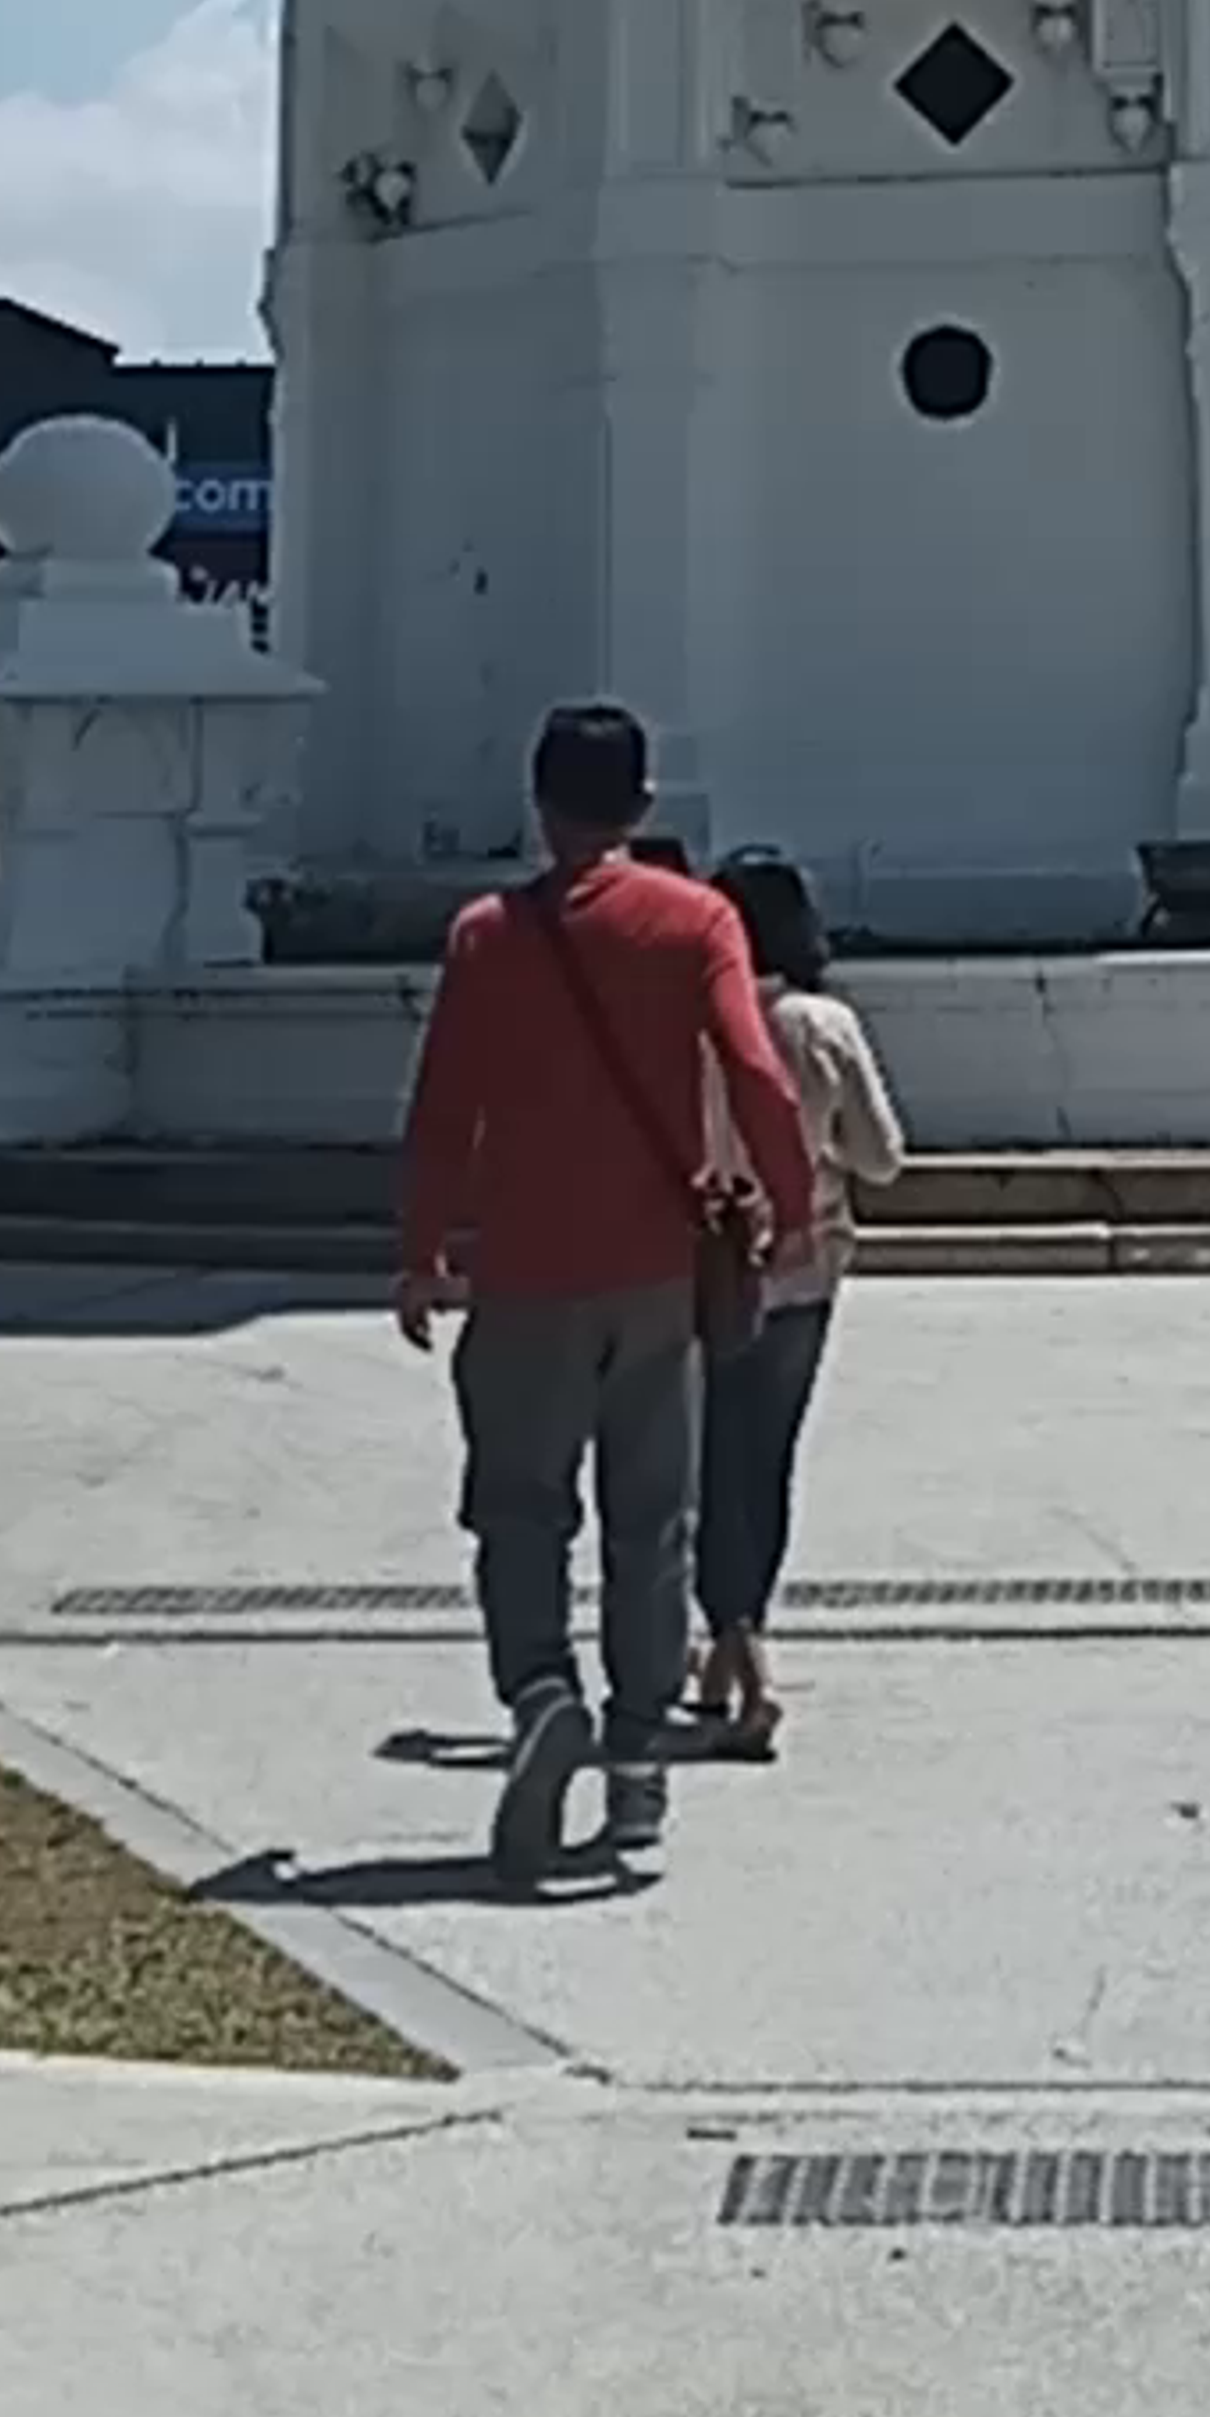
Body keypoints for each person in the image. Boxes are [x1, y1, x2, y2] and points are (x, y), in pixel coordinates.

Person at [395, 702, 814, 1883]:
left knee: (520, 1509)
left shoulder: (487, 935)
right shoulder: (695, 920)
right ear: (642, 804)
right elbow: (755, 1067)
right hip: (655, 1275)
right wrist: (787, 1206)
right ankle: (636, 1767)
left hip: (526, 1271)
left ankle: (541, 1692)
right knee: (652, 1520)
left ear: (538, 804)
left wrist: (423, 1248)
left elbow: (444, 1108)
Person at [689, 852, 907, 1756]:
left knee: (707, 1467)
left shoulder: (688, 1020)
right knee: (764, 1461)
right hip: (805, 1264)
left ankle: (738, 1657)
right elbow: (882, 1156)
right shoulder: (823, 1023)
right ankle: (739, 1647)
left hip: (703, 1265)